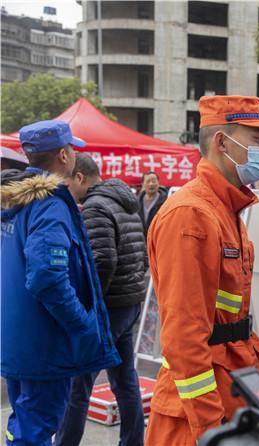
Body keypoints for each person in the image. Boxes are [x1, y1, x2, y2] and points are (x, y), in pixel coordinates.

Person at [144, 95, 259, 445]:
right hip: (196, 417)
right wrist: (211, 430)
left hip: (232, 392)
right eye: (257, 139)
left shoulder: (224, 209)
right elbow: (184, 339)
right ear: (223, 142)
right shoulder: (192, 215)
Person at [0, 120, 120, 445]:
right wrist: (82, 324)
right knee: (35, 430)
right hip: (45, 346)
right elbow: (46, 276)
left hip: (18, 339)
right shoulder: (50, 206)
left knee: (24, 423)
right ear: (65, 156)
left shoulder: (14, 203)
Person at [56, 153, 147, 446]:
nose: (68, 192)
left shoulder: (95, 207)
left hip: (110, 306)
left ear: (79, 177)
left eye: (67, 183)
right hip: (130, 300)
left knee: (78, 383)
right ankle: (132, 441)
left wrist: (89, 305)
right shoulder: (127, 202)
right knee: (124, 380)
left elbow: (103, 261)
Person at [138, 171, 168, 236]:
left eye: (154, 181)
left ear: (158, 183)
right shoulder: (137, 201)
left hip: (158, 236)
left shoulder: (166, 201)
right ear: (142, 184)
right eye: (148, 181)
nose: (151, 184)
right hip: (141, 239)